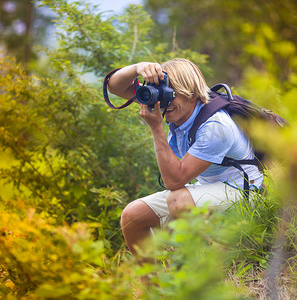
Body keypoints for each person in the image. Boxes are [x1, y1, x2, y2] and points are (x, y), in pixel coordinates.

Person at [107, 58, 264, 255]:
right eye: (162, 95)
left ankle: (205, 261)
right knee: (132, 215)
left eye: (171, 96)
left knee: (178, 201)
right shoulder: (175, 106)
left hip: (245, 193)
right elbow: (115, 87)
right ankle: (148, 284)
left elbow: (175, 180)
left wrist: (156, 128)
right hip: (208, 188)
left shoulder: (215, 127)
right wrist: (138, 68)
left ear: (192, 95)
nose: (164, 103)